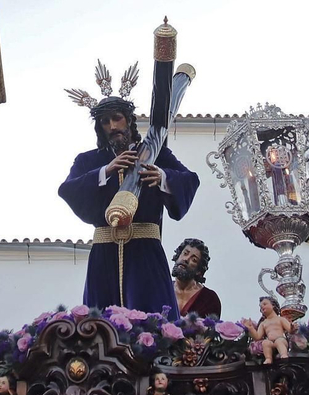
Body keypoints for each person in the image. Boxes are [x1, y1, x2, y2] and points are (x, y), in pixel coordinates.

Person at [57, 98, 198, 313]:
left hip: (146, 253)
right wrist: (105, 171)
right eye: (105, 121)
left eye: (117, 118)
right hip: (104, 255)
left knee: (154, 321)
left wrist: (162, 176)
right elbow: (68, 190)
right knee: (101, 326)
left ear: (129, 120)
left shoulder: (156, 154)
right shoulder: (88, 161)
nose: (112, 126)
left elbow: (190, 179)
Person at [171, 238, 222, 318]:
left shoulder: (210, 299)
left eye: (194, 260)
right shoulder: (162, 289)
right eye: (185, 253)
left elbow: (211, 329)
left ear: (199, 271)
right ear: (178, 256)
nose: (186, 259)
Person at [244, 297, 293, 363]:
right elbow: (257, 337)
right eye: (261, 307)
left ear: (273, 305)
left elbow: (289, 329)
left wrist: (292, 327)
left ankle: (283, 354)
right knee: (265, 343)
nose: (262, 307)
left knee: (279, 341)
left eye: (265, 304)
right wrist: (250, 328)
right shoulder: (263, 323)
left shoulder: (280, 319)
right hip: (270, 342)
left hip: (281, 339)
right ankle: (268, 358)